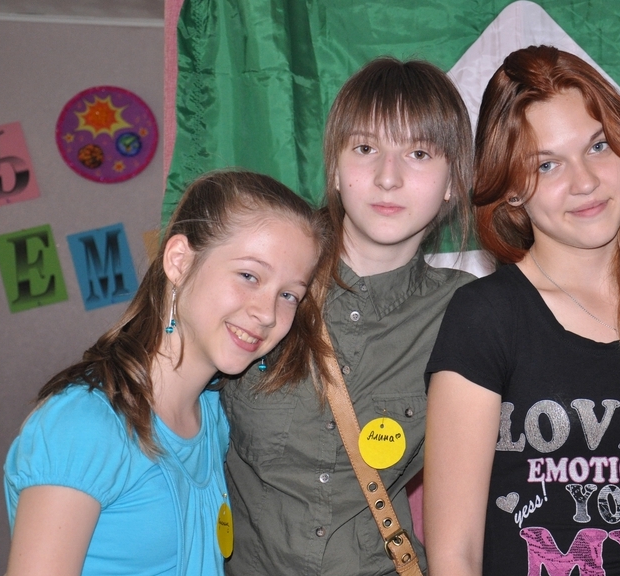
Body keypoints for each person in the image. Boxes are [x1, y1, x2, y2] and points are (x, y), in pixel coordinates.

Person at [424, 45, 620, 575]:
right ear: (511, 190)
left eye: (598, 146)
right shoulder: (485, 317)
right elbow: (455, 554)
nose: (584, 182)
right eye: (547, 165)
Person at [220, 57, 474, 575]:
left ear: (452, 181)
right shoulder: (259, 278)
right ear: (334, 168)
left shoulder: (471, 313)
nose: (388, 178)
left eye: (419, 153)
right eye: (365, 148)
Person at [4, 169, 326, 576]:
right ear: (179, 262)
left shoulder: (215, 417)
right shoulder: (84, 424)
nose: (267, 313)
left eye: (289, 295)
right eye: (249, 276)